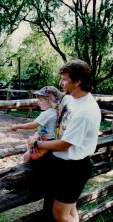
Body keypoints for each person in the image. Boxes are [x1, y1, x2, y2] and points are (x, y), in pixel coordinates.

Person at [27, 59, 101, 222]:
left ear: (78, 81)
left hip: (73, 168)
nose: (61, 83)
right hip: (61, 163)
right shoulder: (69, 99)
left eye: (65, 79)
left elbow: (64, 144)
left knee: (60, 214)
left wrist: (36, 143)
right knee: (68, 209)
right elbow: (59, 121)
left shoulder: (84, 111)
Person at [10, 86, 62, 162]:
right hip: (48, 139)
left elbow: (33, 125)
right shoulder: (55, 112)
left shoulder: (48, 113)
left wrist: (17, 126)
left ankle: (28, 168)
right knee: (32, 140)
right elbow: (42, 128)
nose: (38, 102)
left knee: (26, 156)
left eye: (41, 100)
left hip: (46, 142)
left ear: (50, 101)